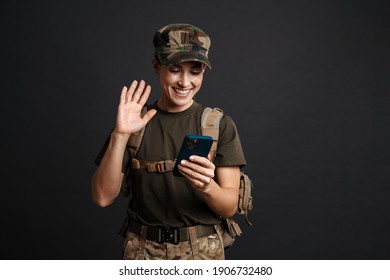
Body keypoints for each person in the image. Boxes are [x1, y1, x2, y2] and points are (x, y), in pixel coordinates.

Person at [91, 23, 246, 260]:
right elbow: (102, 197)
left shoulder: (219, 125)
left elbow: (229, 207)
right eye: (175, 69)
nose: (184, 82)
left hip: (202, 253)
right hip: (142, 252)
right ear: (156, 65)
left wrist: (207, 186)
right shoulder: (134, 122)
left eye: (195, 71)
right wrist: (120, 135)